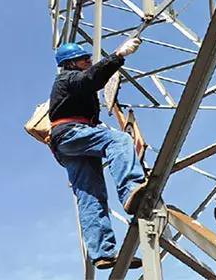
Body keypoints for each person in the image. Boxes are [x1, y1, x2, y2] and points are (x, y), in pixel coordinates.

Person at [48, 40, 148, 270]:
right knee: (120, 141)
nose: (89, 61)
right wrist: (118, 55)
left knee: (90, 195)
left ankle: (103, 253)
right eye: (84, 59)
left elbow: (91, 84)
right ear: (70, 63)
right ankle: (131, 189)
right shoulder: (68, 78)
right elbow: (91, 79)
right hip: (72, 133)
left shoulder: (72, 87)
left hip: (68, 142)